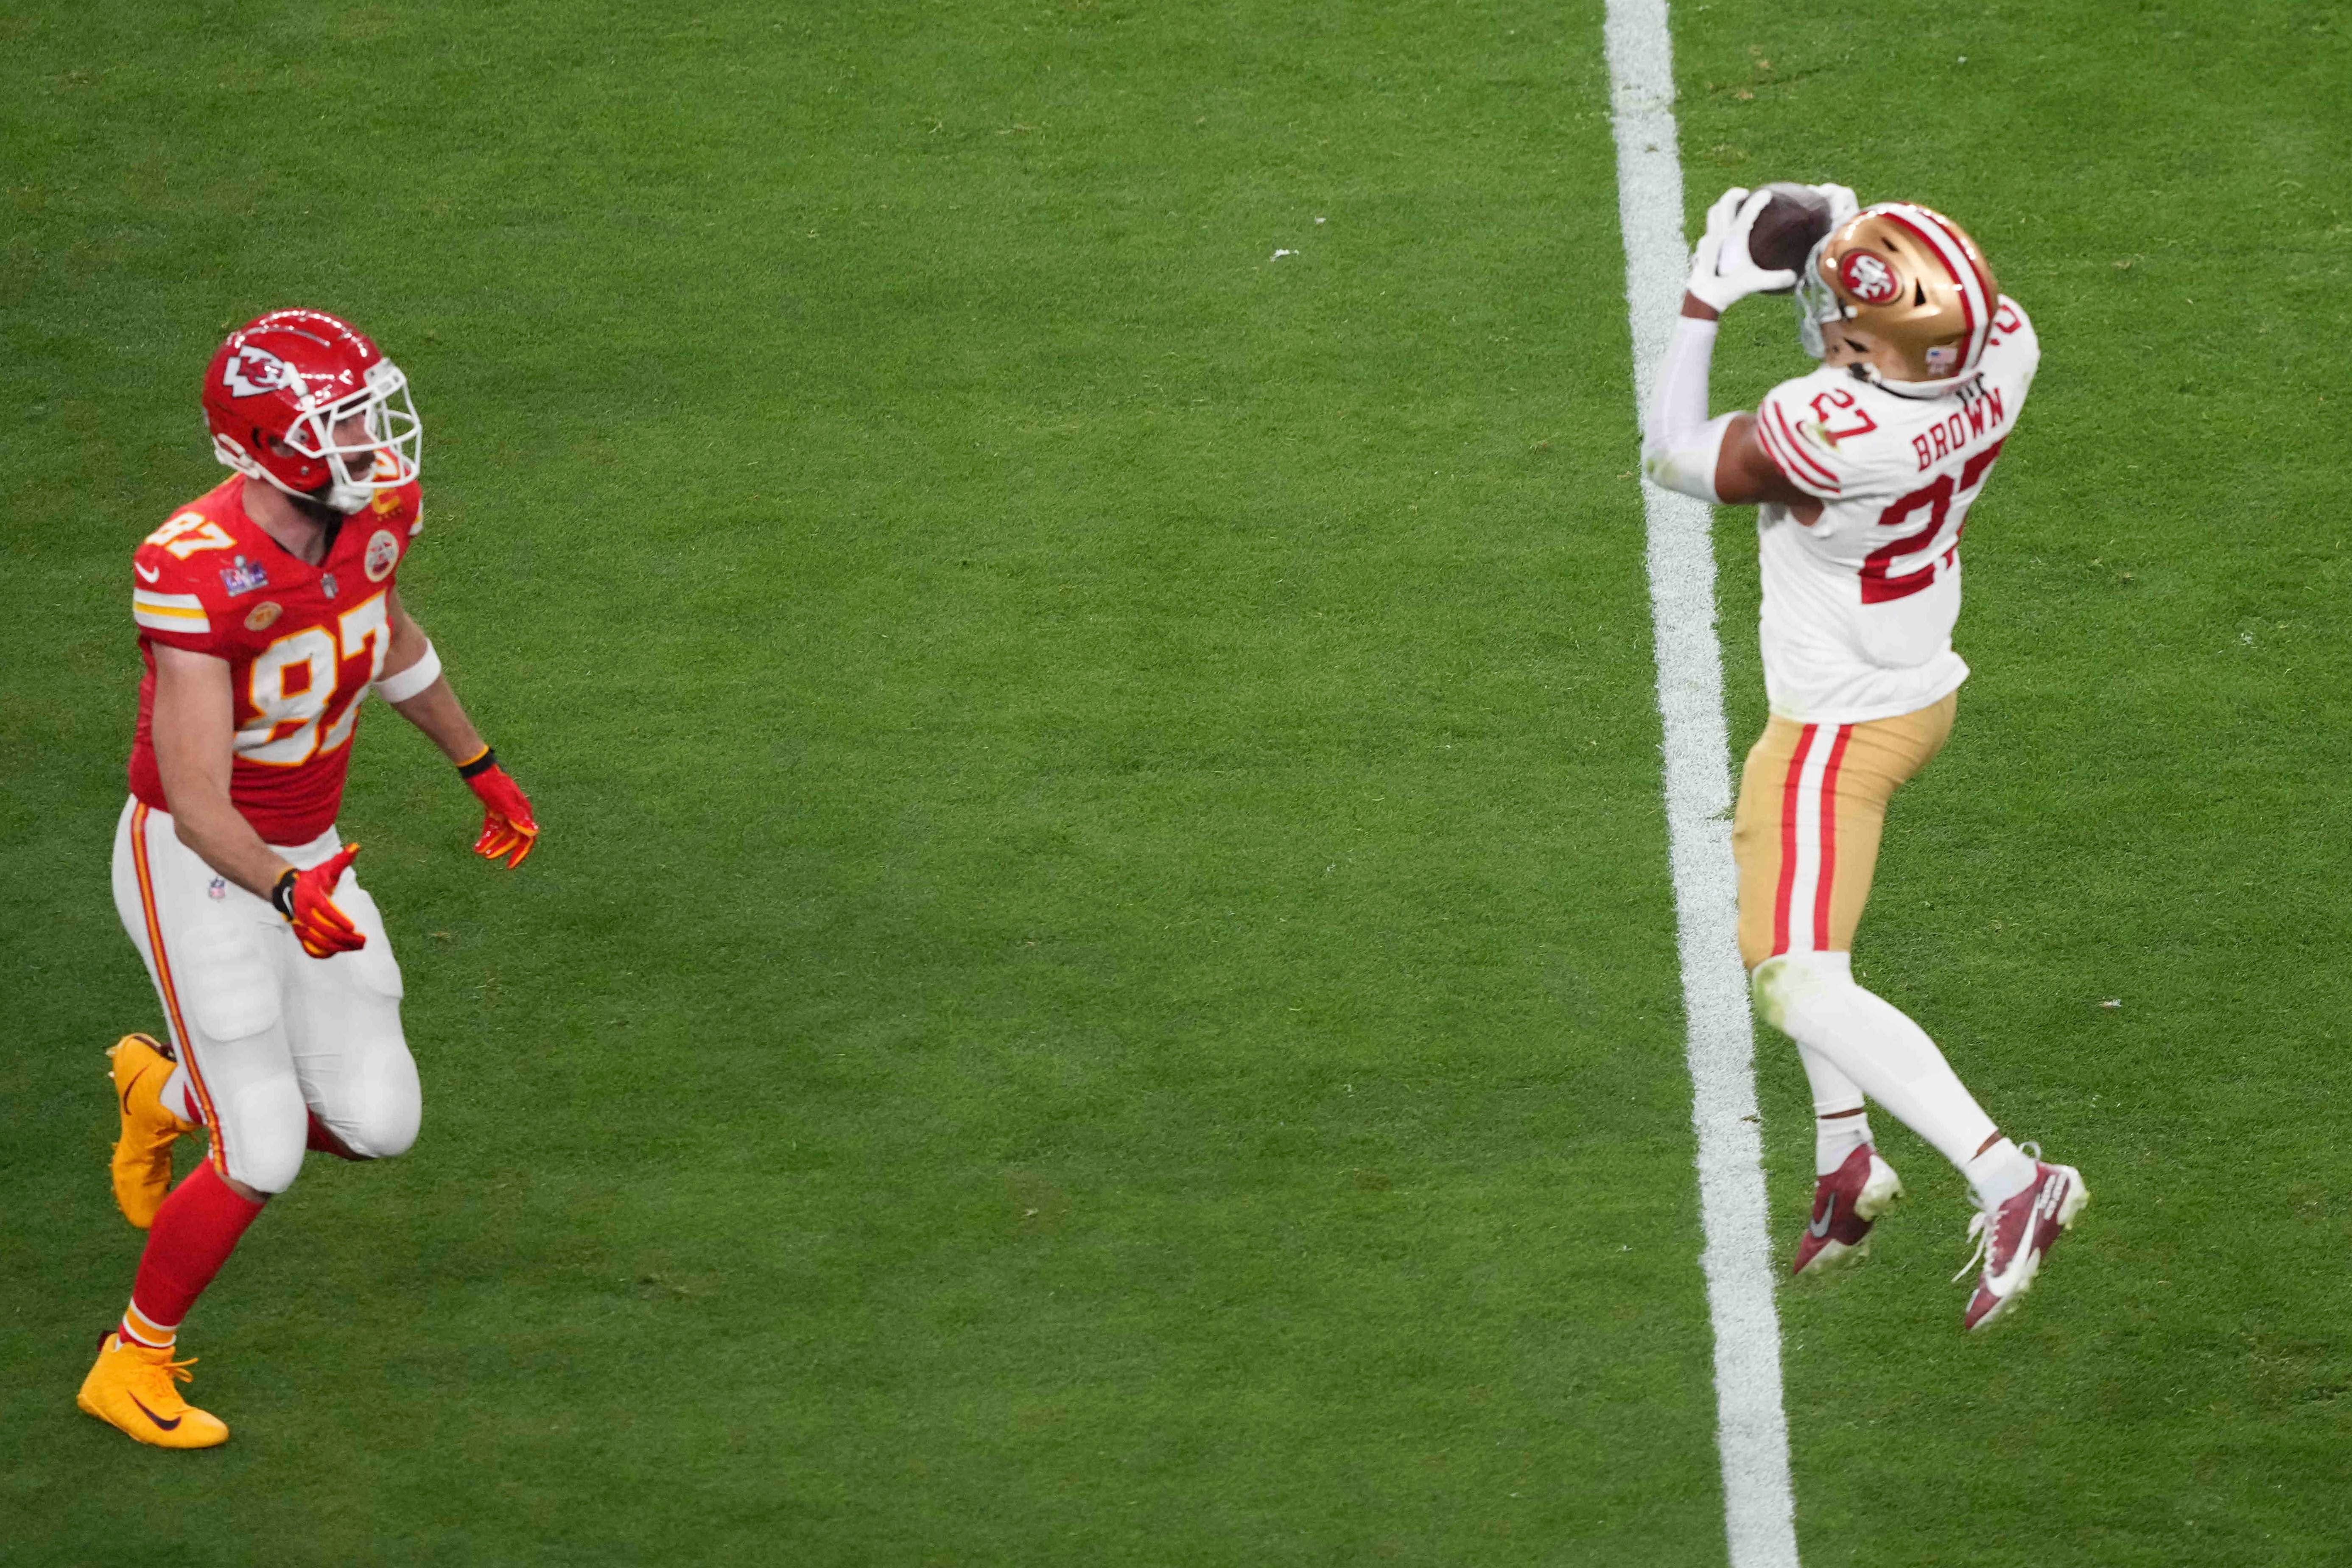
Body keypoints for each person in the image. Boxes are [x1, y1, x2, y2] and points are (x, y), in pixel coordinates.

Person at [81, 308, 540, 1446]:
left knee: (378, 1121)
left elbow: (380, 632)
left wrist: (475, 761)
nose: (371, 440)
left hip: (307, 854)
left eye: (363, 410)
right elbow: (196, 803)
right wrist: (287, 894)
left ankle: (165, 1092)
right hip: (197, 862)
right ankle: (128, 1362)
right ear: (259, 443)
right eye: (338, 421)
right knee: (267, 1145)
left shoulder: (374, 513)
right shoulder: (194, 568)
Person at [1640, 187, 2086, 1331]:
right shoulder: (2007, 352)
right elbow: (1926, 317)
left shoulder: (1826, 431)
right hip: (1912, 689)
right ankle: (1846, 1160)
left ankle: (2007, 1176)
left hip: (1837, 730)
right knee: (1779, 938)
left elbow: (1675, 453)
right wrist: (1844, 230)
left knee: (1796, 978)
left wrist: (1705, 295)